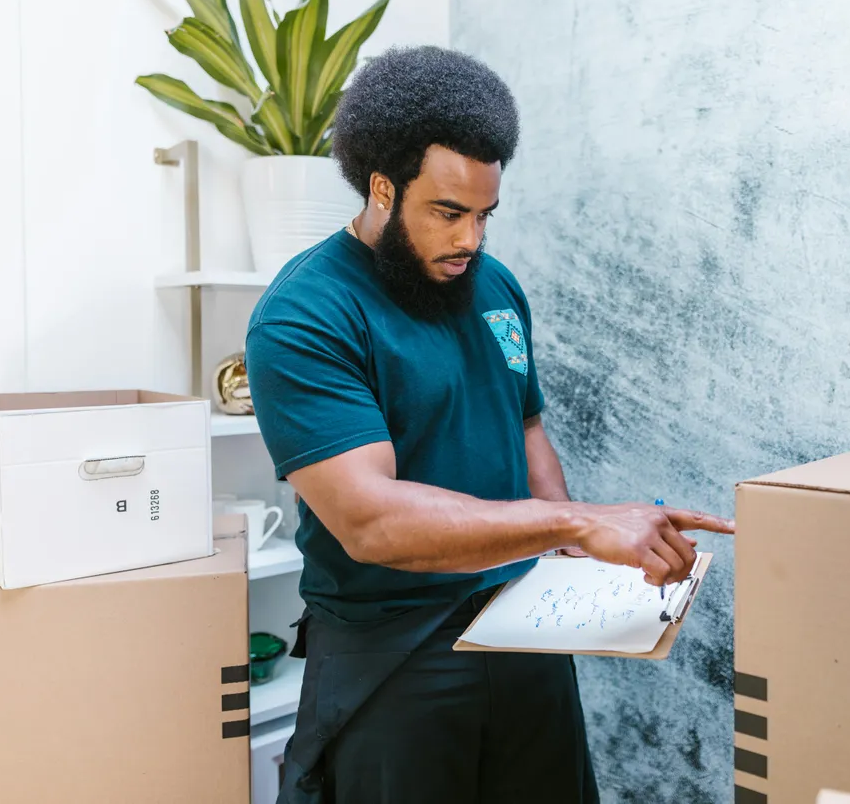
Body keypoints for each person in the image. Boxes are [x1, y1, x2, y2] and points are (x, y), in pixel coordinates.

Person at [244, 45, 735, 804]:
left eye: (483, 214)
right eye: (447, 212)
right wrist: (574, 518)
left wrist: (592, 552)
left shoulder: (493, 285)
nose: (471, 238)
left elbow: (526, 428)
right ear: (381, 187)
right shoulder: (306, 312)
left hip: (524, 625)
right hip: (394, 651)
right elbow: (370, 521)